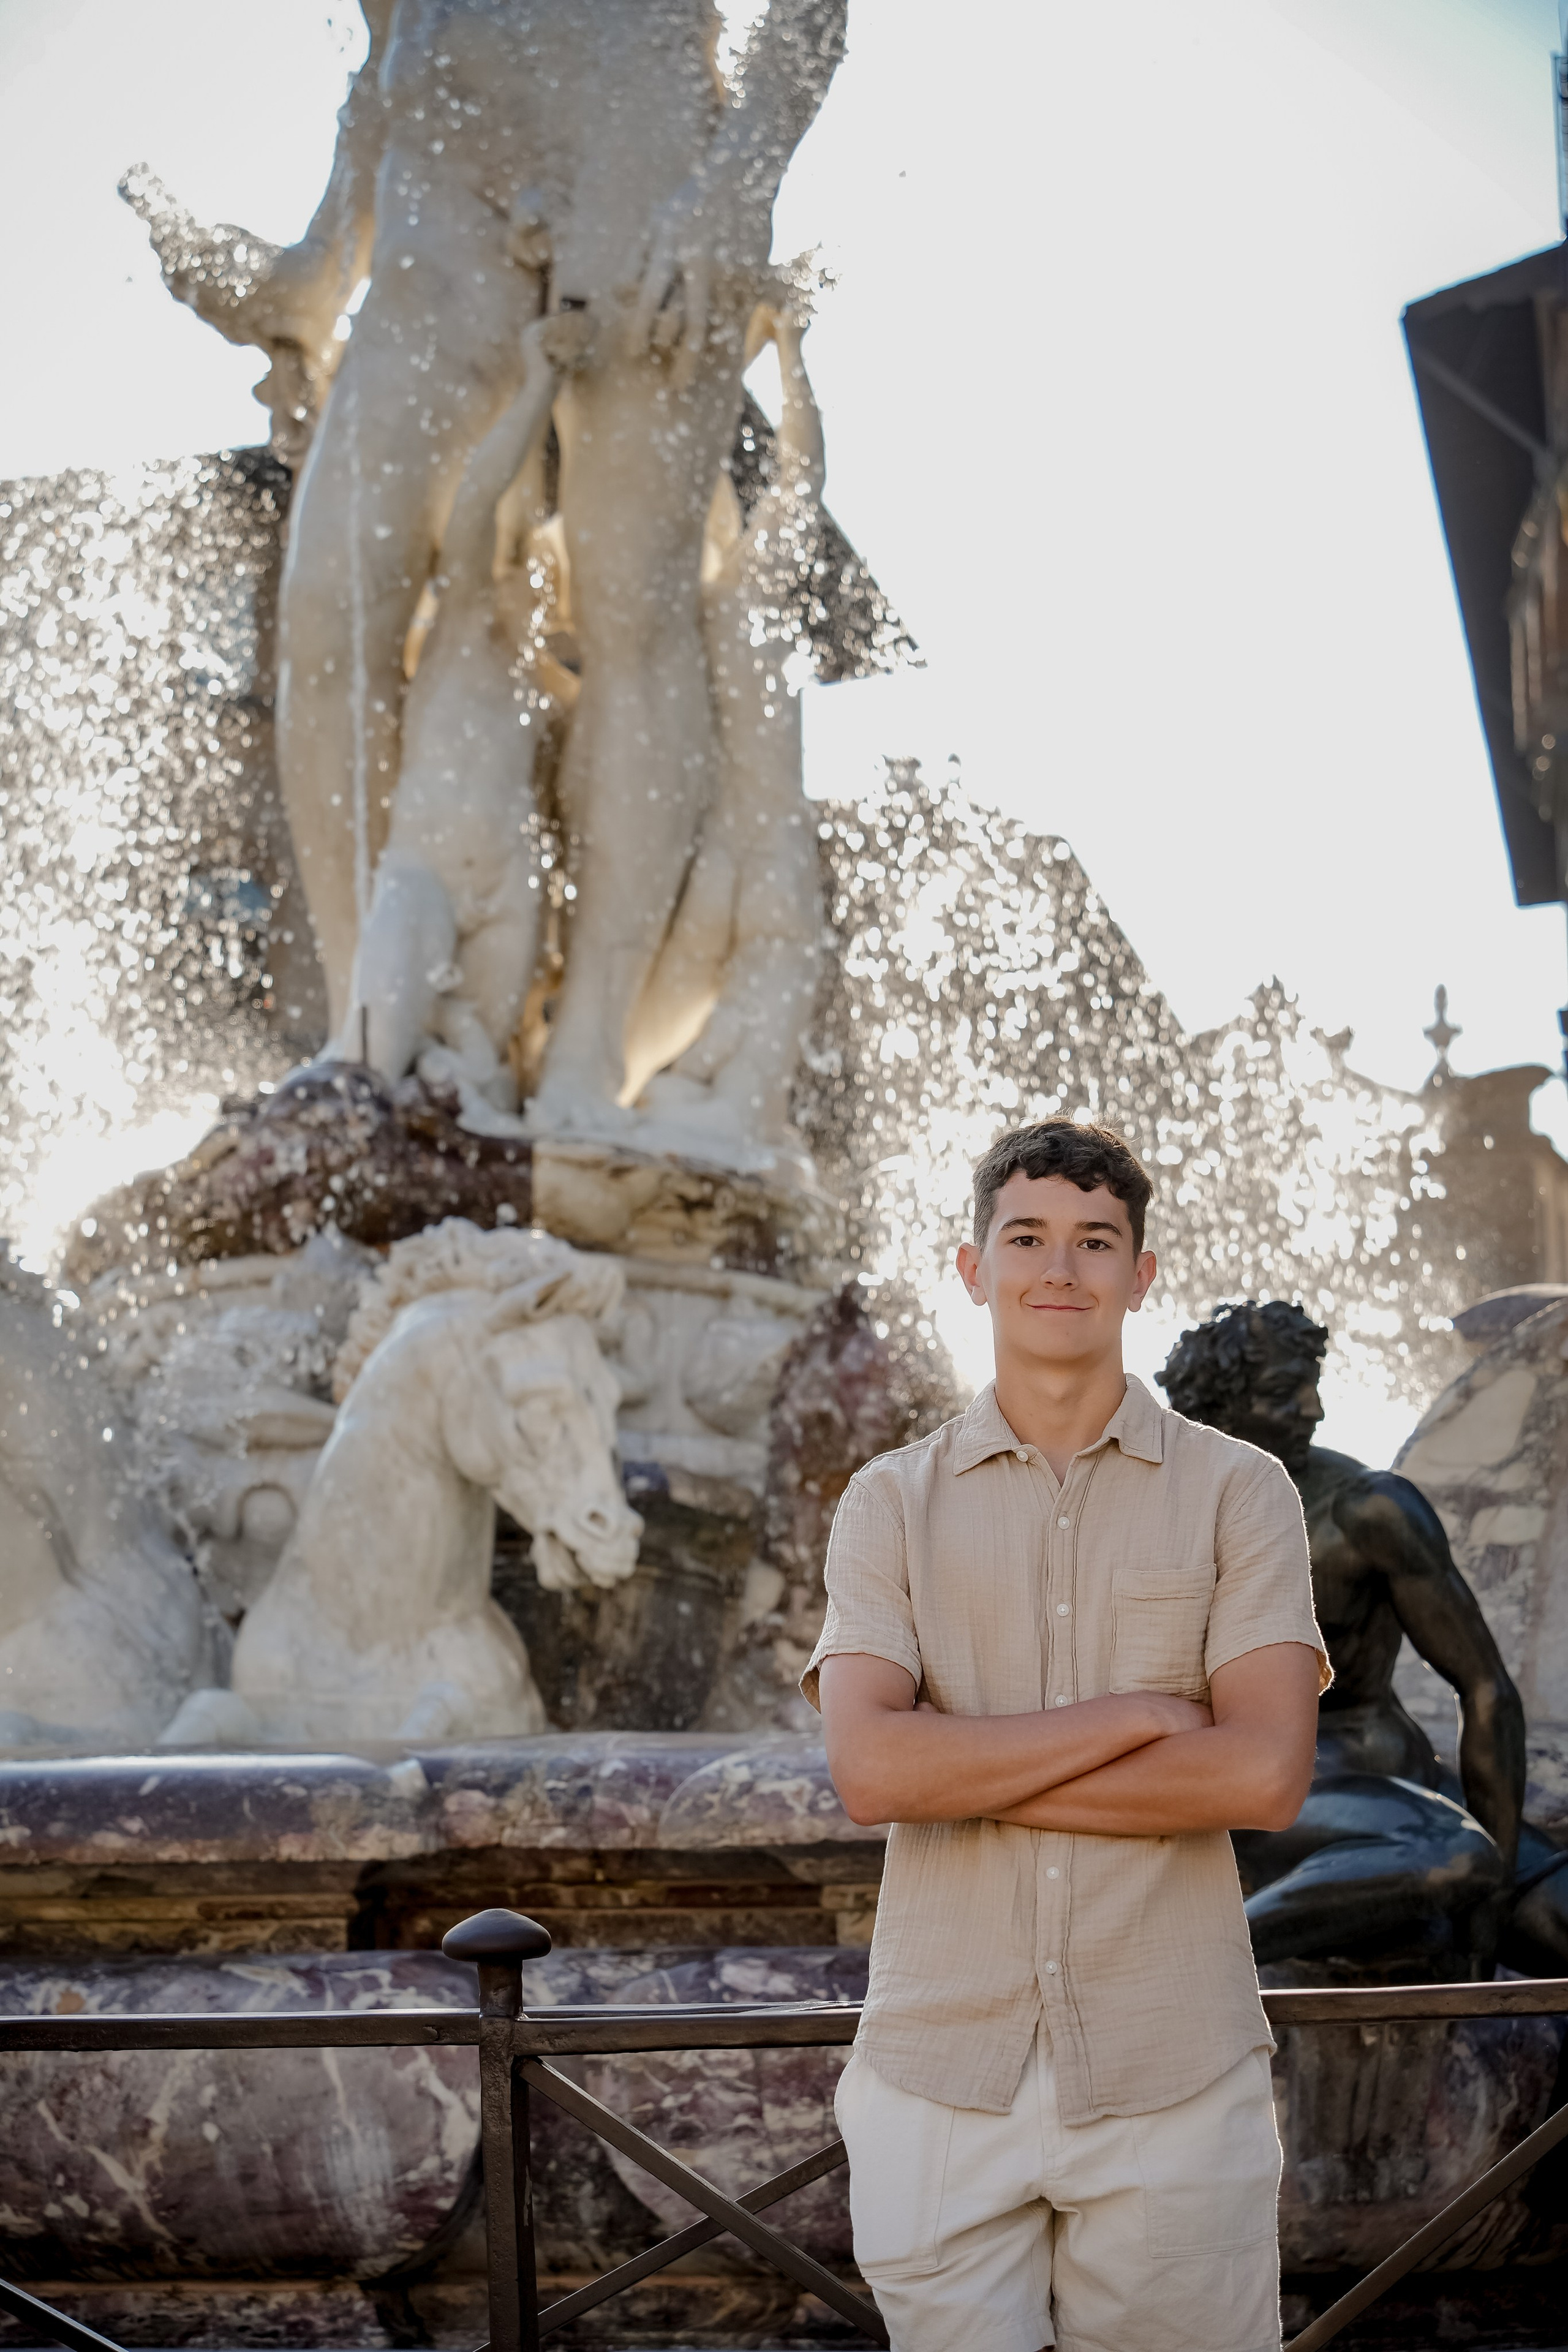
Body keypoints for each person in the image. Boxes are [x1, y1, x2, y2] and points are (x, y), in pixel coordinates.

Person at [246, 0, 845, 1122]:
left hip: (632, 117)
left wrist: (738, 181)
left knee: (635, 612)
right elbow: (380, 38)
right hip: (440, 121)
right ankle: (365, 1034)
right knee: (329, 615)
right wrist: (328, 250)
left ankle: (585, 1057)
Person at [809, 1117, 1327, 2352]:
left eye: (1095, 1241)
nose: (1060, 1266)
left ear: (1140, 1274)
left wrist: (966, 1765)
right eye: (1026, 1236)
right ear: (971, 1267)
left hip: (1170, 2074)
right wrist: (1131, 1723)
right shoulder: (886, 1503)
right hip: (939, 2077)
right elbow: (872, 1772)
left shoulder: (1240, 1491)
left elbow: (1260, 1774)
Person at [1156, 1300, 1526, 1978]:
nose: (1312, 1409)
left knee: (1541, 1904)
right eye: (1280, 1394)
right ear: (1214, 1413)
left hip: (1403, 1784)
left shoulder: (1367, 1509)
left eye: (1310, 1384)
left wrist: (1493, 1898)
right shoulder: (1155, 1522)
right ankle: (1198, 1966)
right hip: (1271, 1790)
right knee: (1449, 1855)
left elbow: (1486, 1687)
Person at [322, 309, 592, 1129]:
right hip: (429, 863)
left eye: (553, 584)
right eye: (533, 574)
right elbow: (477, 502)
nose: (540, 593)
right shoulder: (463, 620)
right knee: (377, 1048)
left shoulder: (553, 690)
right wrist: (541, 381)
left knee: (482, 1081)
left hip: (510, 881)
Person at [626, 287, 825, 1166]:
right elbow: (804, 474)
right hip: (771, 855)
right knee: (746, 1092)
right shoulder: (746, 600)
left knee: (644, 1063)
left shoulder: (674, 625)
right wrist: (788, 352)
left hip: (712, 862)